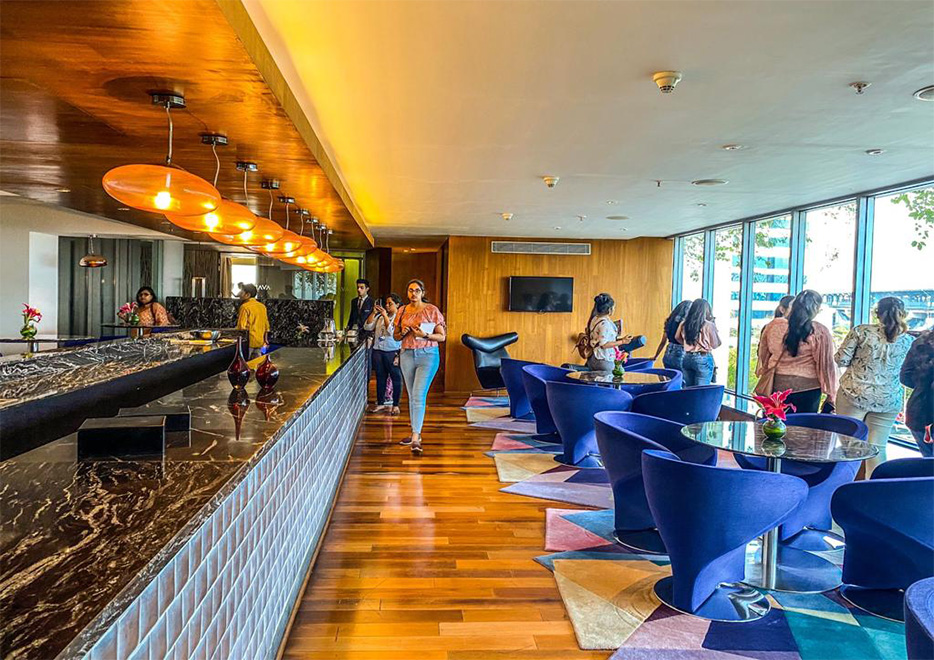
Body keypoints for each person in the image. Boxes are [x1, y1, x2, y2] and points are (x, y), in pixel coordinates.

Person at [834, 297, 914, 472]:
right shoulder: (909, 341)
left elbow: (841, 359)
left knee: (847, 444)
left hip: (854, 393)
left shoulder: (861, 332)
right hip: (888, 398)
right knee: (878, 447)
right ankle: (873, 489)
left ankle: (841, 486)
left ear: (877, 313)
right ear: (903, 314)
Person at [755, 289, 836, 413]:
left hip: (777, 384)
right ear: (815, 309)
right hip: (808, 388)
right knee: (804, 428)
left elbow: (763, 354)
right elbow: (826, 365)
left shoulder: (774, 326)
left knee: (775, 424)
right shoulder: (819, 331)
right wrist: (831, 393)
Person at [394, 279, 446, 455]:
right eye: (410, 290)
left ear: (422, 292)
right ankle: (415, 432)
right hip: (407, 355)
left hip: (428, 355)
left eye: (417, 290)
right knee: (411, 395)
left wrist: (425, 334)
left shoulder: (431, 310)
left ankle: (416, 437)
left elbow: (442, 337)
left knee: (418, 394)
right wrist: (403, 333)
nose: (413, 293)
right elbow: (395, 336)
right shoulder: (401, 311)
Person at [365, 293, 403, 415]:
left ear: (397, 304)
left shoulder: (399, 318)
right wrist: (373, 313)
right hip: (378, 350)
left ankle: (395, 405)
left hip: (392, 351)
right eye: (386, 303)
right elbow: (367, 326)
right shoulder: (380, 317)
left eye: (390, 304)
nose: (387, 306)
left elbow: (391, 331)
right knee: (380, 377)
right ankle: (380, 403)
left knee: (396, 378)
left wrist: (385, 316)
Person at [583, 293, 642, 371]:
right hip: (603, 360)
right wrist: (622, 341)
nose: (614, 309)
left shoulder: (594, 318)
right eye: (613, 307)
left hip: (593, 358)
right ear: (609, 310)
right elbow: (603, 345)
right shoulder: (605, 324)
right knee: (616, 377)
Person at [900, 327, 933, 458]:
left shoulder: (922, 341)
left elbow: (905, 377)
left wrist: (923, 385)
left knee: (928, 462)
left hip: (919, 412)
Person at [675, 299, 721, 387]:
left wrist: (686, 344)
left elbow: (677, 337)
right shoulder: (709, 325)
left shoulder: (684, 324)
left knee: (689, 389)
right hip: (703, 357)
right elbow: (716, 344)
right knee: (700, 391)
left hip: (686, 357)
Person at [652, 300, 692, 370]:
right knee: (683, 379)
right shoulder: (685, 324)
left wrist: (655, 356)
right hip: (681, 354)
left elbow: (663, 342)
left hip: (667, 355)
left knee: (671, 378)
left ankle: (662, 377)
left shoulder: (669, 322)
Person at [237, 283, 269, 360]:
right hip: (260, 341)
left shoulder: (245, 307)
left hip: (249, 342)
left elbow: (241, 327)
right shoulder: (262, 307)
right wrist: (265, 340)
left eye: (242, 292)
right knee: (256, 364)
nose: (240, 294)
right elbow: (266, 326)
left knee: (245, 365)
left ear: (247, 294)